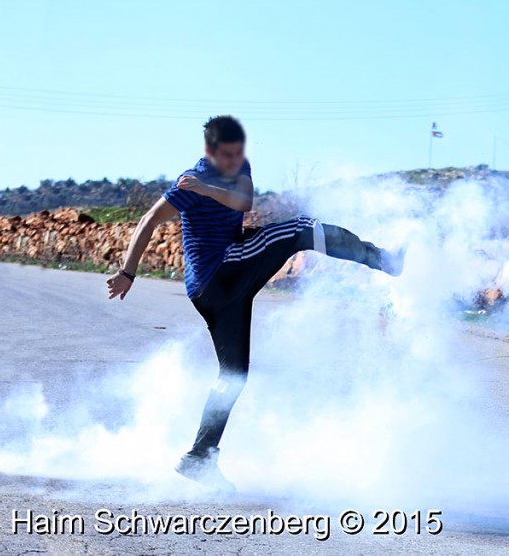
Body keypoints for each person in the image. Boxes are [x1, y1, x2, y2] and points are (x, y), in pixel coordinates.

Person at [105, 115, 404, 491]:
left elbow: (244, 199)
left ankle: (199, 456)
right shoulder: (188, 183)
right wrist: (128, 273)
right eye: (225, 156)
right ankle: (384, 260)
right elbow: (149, 220)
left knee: (233, 376)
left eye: (237, 154)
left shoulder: (235, 169)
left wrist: (210, 189)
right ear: (209, 151)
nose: (234, 162)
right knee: (301, 230)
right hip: (219, 274)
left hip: (218, 290)